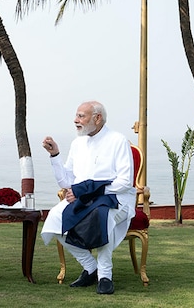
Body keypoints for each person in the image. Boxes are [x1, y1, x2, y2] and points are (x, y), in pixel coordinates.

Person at [41, 100, 135, 295]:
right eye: (76, 116)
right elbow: (67, 182)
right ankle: (91, 267)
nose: (76, 120)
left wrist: (89, 190)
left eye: (81, 116)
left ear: (97, 118)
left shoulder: (118, 140)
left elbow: (125, 182)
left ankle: (105, 275)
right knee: (54, 219)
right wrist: (55, 155)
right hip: (83, 200)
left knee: (102, 218)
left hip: (116, 199)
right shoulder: (77, 143)